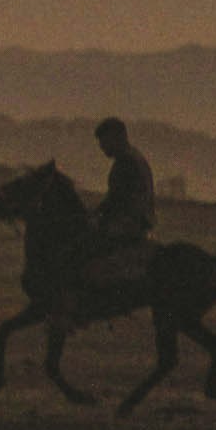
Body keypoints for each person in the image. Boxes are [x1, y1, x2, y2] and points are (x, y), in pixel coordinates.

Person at [68, 115, 156, 306]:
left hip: (128, 223)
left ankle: (86, 301)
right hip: (139, 220)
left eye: (104, 142)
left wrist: (95, 215)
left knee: (81, 245)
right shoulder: (136, 157)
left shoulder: (126, 162)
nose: (102, 147)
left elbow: (116, 199)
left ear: (118, 137)